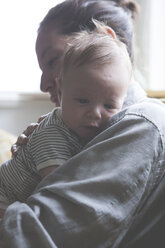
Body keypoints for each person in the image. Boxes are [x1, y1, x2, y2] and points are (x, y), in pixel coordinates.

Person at [1, 0, 165, 248]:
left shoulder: (142, 123)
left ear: (106, 39)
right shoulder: (78, 130)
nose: (45, 83)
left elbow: (36, 233)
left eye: (53, 61)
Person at [0, 20, 132, 213]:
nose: (95, 113)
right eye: (82, 100)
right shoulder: (52, 134)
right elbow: (59, 193)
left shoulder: (132, 123)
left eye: (109, 105)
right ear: (62, 90)